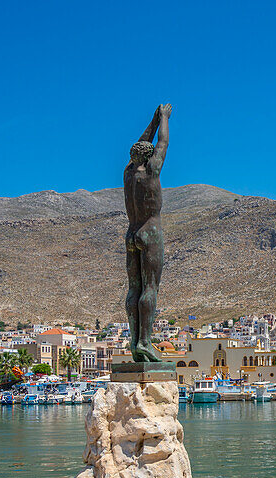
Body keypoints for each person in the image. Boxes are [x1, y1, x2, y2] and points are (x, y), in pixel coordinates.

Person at [124, 103, 171, 362]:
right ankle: (144, 341)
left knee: (134, 287)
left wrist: (150, 122)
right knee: (150, 287)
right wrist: (163, 119)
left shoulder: (128, 174)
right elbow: (162, 143)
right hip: (149, 231)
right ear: (149, 155)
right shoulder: (151, 171)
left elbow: (142, 144)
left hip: (131, 233)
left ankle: (134, 343)